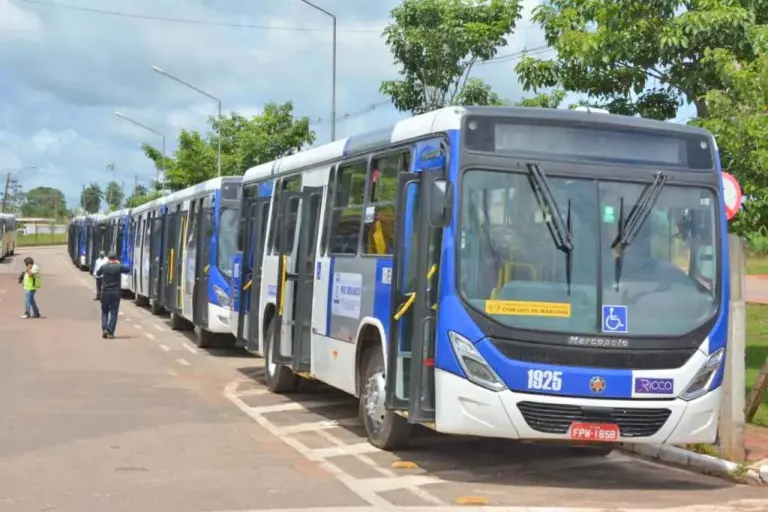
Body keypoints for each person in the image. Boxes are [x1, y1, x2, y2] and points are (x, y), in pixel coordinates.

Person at [96, 253, 130, 339]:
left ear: (108, 258)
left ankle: (104, 329)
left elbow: (98, 273)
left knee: (104, 311)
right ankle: (110, 332)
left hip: (106, 292)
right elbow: (127, 270)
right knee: (114, 313)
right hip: (115, 292)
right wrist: (119, 263)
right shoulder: (118, 267)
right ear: (115, 258)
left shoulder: (104, 266)